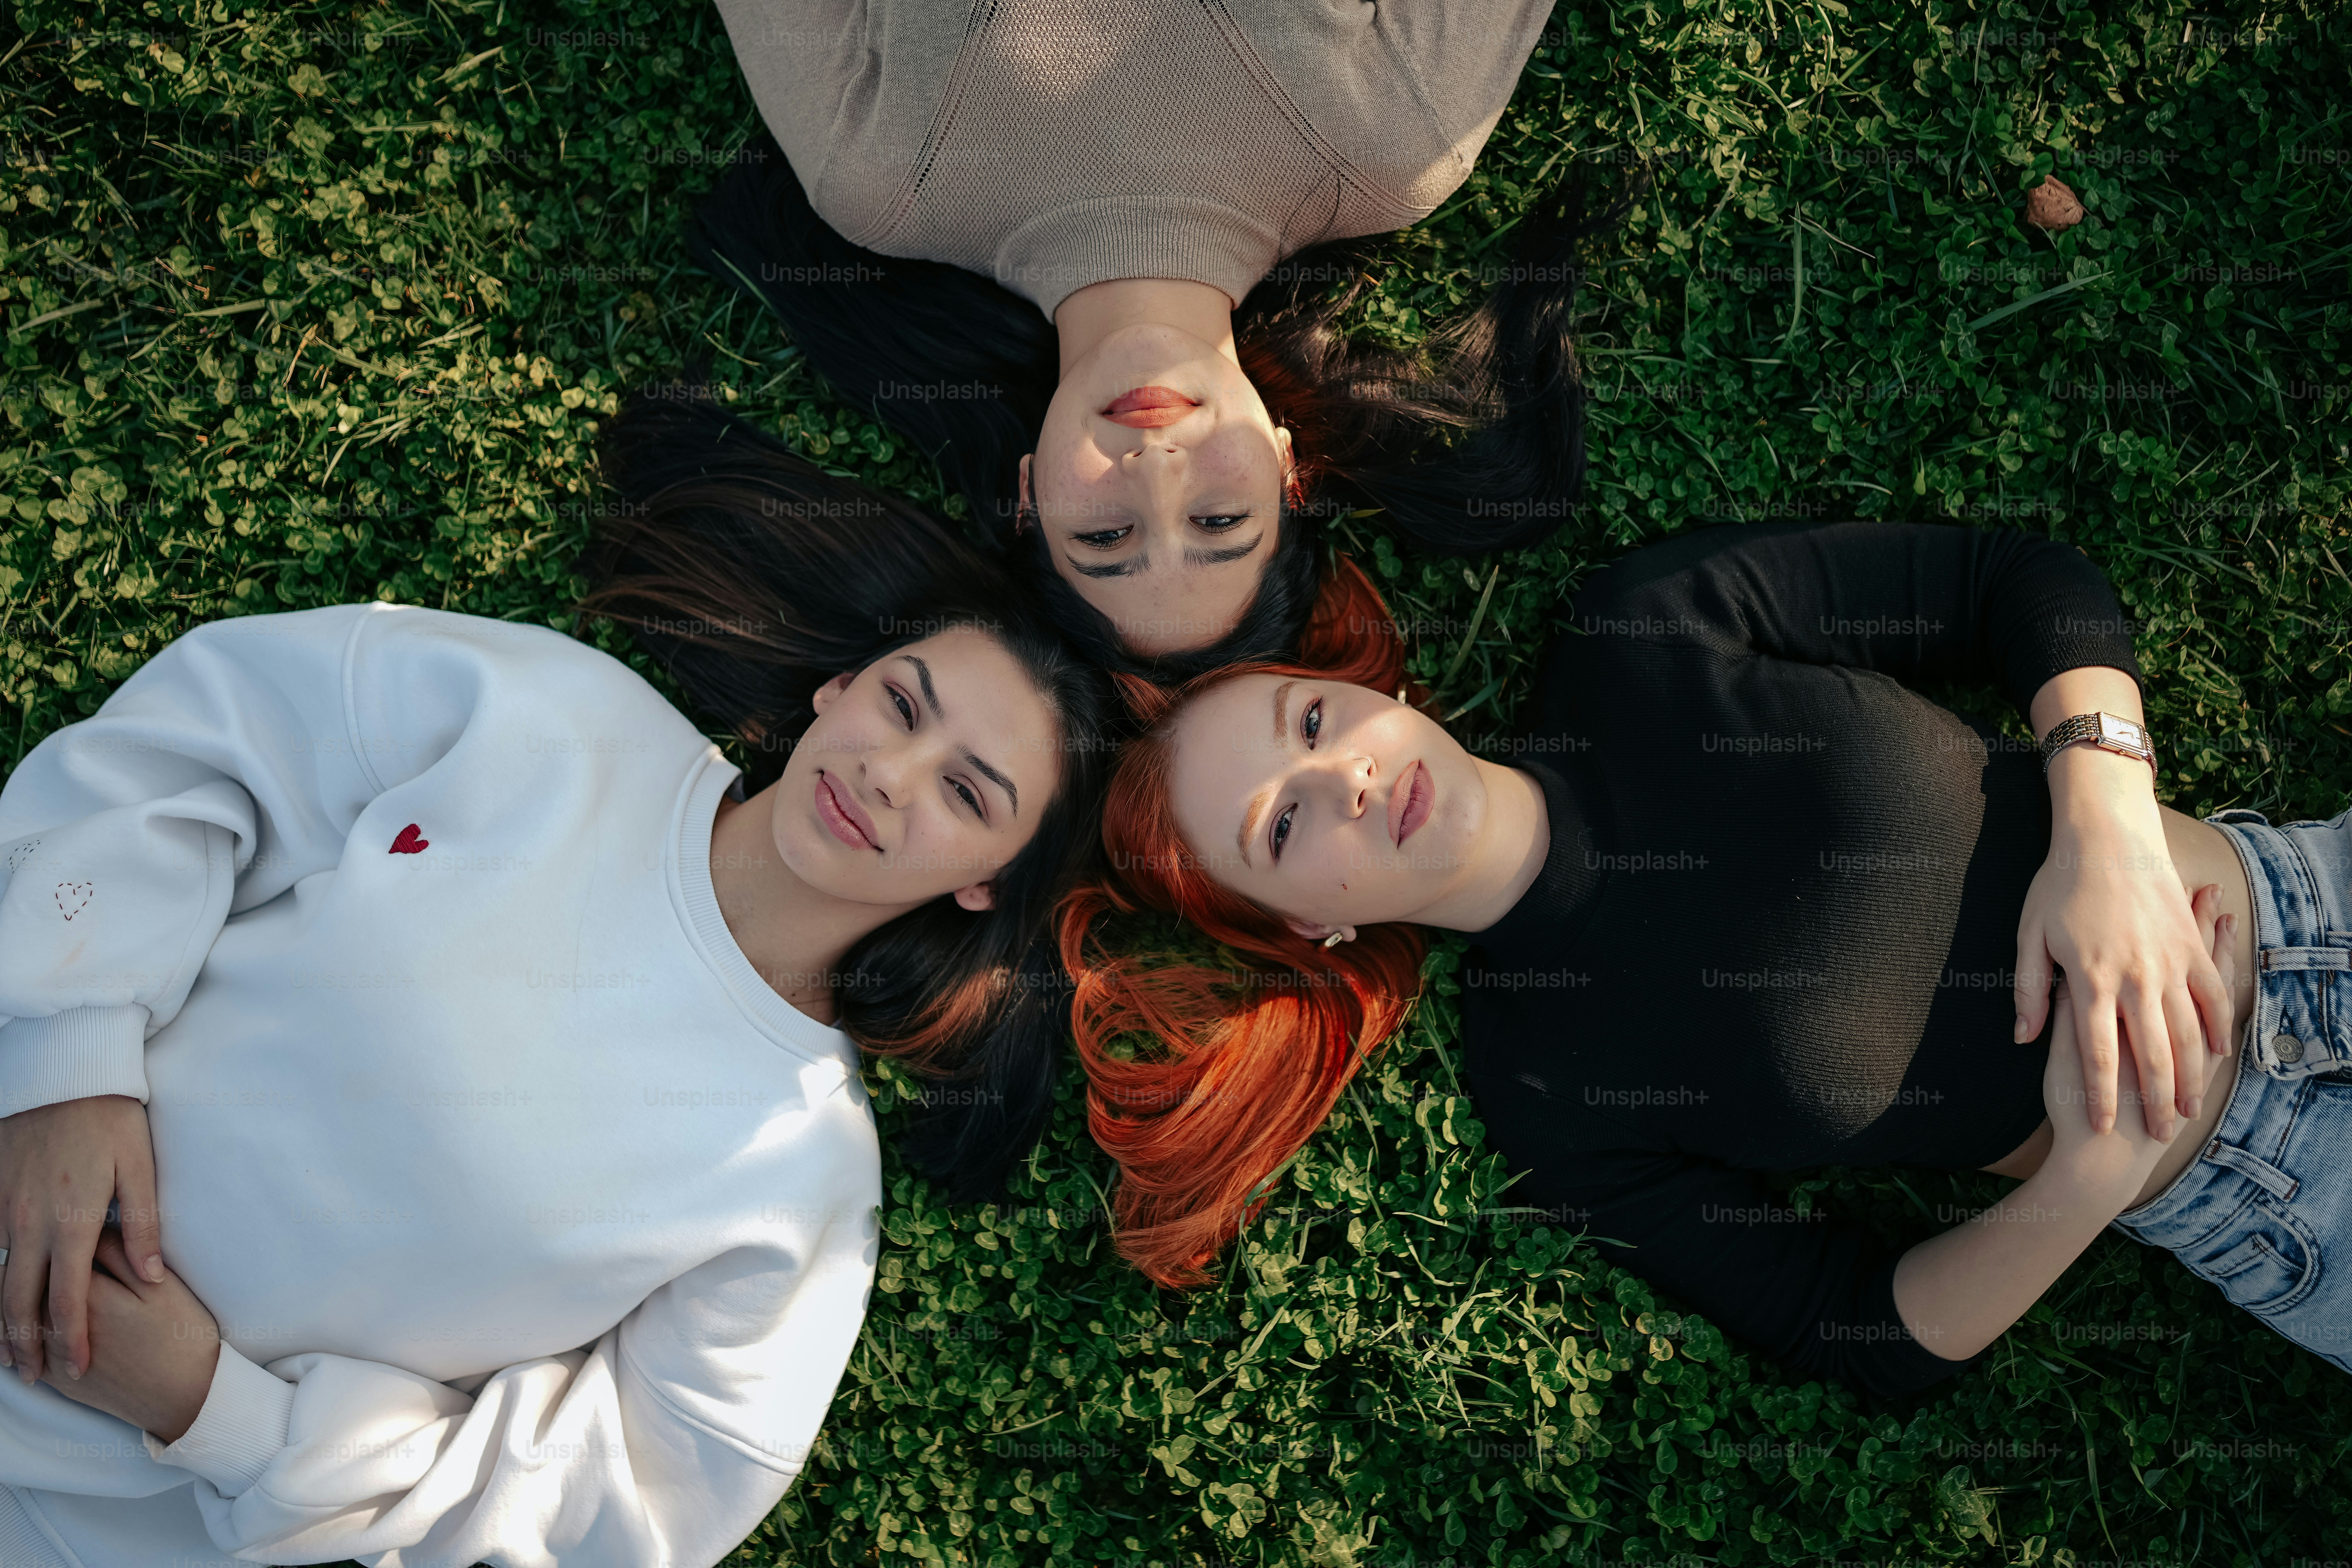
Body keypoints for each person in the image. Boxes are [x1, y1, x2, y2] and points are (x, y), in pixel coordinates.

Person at [0, 408, 1113, 1567]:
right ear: (839, 689)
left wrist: (214, 1411)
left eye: (967, 795)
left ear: (987, 885)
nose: (890, 775)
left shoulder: (801, 1190)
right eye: (903, 703)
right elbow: (207, 741)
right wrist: (66, 1065)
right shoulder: (552, 721)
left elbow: (621, 1508)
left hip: (80, 1531)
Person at [1060, 520, 2352, 1398]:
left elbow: (2015, 583)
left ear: (1374, 694)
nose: (1344, 777)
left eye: (1313, 721)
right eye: (1282, 827)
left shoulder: (1642, 635)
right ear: (1308, 930)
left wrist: (2109, 831)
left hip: (2308, 903)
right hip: (2281, 1199)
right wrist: (2099, 1173)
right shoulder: (1548, 1099)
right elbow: (1856, 1335)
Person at [690, 0, 1606, 678]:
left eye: (1105, 533)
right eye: (1219, 522)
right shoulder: (1389, 151)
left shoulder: (884, 185)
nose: (1156, 466)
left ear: (1026, 497)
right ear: (1291, 473)